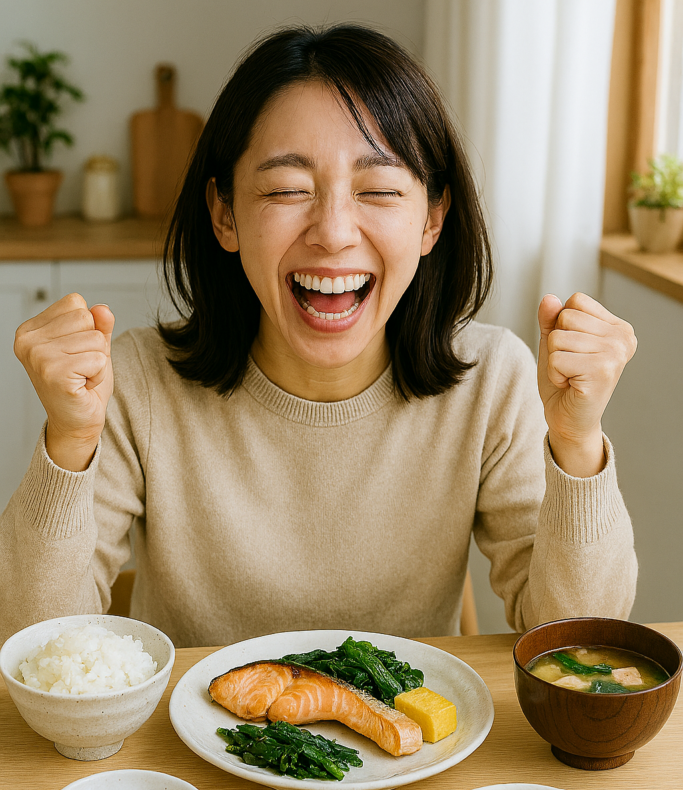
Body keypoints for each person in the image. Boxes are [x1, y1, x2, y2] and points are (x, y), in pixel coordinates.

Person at [0, 25, 637, 648]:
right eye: (286, 189)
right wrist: (70, 441)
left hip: (415, 749)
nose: (332, 232)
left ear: (432, 220)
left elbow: (579, 644)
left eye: (380, 189)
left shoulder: (492, 379)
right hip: (187, 751)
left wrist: (578, 442)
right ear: (225, 214)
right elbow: (33, 647)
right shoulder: (136, 381)